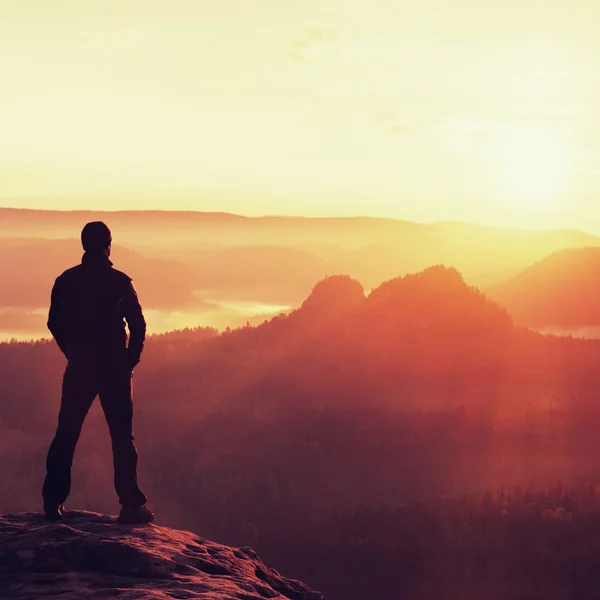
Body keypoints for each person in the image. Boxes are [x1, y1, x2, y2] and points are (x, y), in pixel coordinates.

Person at [42, 221, 154, 524]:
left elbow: (54, 322)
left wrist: (71, 351)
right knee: (121, 436)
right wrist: (131, 359)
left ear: (83, 245)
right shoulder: (119, 282)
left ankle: (52, 502)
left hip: (80, 366)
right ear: (108, 245)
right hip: (115, 367)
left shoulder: (65, 281)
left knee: (67, 432)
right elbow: (139, 324)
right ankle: (131, 504)